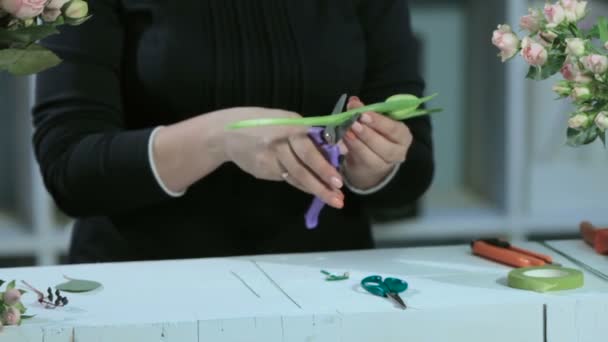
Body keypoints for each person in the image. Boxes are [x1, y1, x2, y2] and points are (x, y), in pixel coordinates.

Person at [32, 0, 434, 263]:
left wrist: (374, 164)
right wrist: (220, 138)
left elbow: (414, 166)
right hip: (144, 287)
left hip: (326, 285)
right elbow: (70, 168)